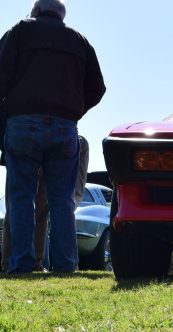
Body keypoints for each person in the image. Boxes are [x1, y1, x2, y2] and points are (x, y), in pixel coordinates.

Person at [0, 0, 105, 274]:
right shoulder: (79, 40)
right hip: (65, 126)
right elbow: (98, 87)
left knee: (22, 197)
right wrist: (74, 110)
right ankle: (66, 265)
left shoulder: (20, 31)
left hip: (22, 123)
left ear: (36, 11)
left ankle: (21, 264)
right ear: (61, 15)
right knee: (62, 201)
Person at [1, 136, 89, 272]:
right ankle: (37, 263)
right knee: (34, 209)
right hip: (45, 138)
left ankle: (19, 263)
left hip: (20, 137)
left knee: (18, 205)